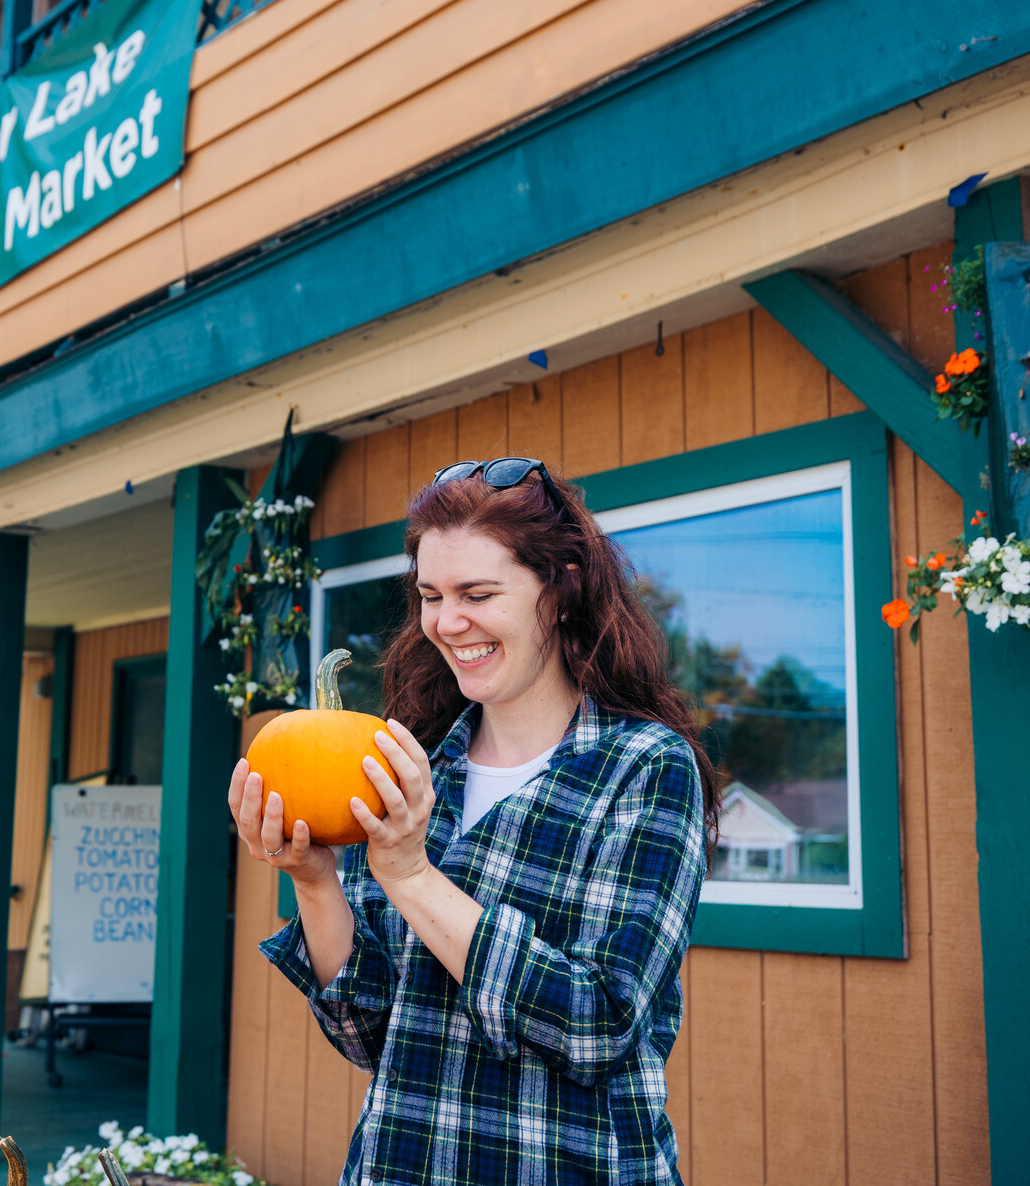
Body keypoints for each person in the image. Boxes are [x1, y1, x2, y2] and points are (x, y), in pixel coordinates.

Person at [230, 457, 717, 1184]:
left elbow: (599, 1025)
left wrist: (413, 876)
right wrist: (314, 881)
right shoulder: (415, 768)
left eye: (478, 593)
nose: (447, 623)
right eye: (431, 595)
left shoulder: (643, 768)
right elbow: (368, 1036)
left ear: (559, 590)